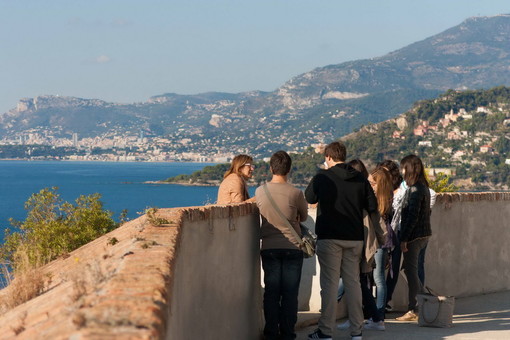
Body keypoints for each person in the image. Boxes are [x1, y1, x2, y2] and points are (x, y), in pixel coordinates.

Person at [305, 142, 380, 340]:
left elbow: (309, 197)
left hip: (330, 237)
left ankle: (326, 332)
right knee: (353, 283)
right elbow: (372, 206)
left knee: (329, 285)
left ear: (328, 157)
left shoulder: (323, 176)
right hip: (355, 238)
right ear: (344, 156)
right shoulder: (359, 178)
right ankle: (357, 331)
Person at [255, 151, 308, 340]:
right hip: (293, 247)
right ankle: (287, 333)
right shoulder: (296, 192)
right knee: (289, 293)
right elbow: (303, 216)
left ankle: (271, 332)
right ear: (289, 169)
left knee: (271, 292)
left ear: (271, 168)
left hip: (269, 247)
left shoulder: (260, 191)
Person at [337, 159, 386, 332]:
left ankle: (357, 317)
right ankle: (375, 318)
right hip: (366, 245)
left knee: (353, 282)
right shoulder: (366, 192)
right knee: (360, 284)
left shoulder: (358, 193)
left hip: (359, 244)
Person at [395, 155, 432, 322]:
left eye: (403, 168)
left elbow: (412, 217)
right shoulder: (424, 187)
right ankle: (423, 302)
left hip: (414, 237)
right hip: (424, 235)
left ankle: (414, 308)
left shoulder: (415, 190)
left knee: (410, 272)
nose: (402, 171)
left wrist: (404, 239)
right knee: (414, 270)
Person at [368, 167, 394, 321]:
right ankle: (379, 313)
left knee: (378, 279)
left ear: (379, 184)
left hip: (378, 242)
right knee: (379, 279)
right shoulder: (388, 198)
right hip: (384, 242)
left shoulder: (377, 201)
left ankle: (378, 314)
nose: (370, 186)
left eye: (372, 183)